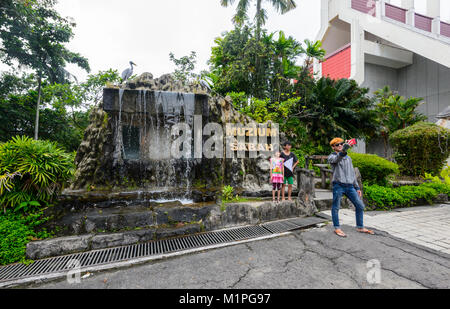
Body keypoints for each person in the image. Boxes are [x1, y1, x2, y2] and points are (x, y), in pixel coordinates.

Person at [328, 138, 375, 238]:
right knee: (336, 207)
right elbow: (337, 159)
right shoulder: (332, 157)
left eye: (341, 144)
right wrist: (344, 150)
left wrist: (357, 187)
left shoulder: (348, 158)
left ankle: (360, 226)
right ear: (333, 147)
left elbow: (352, 173)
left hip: (350, 186)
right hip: (338, 185)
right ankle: (337, 228)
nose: (340, 145)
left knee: (360, 206)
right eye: (337, 145)